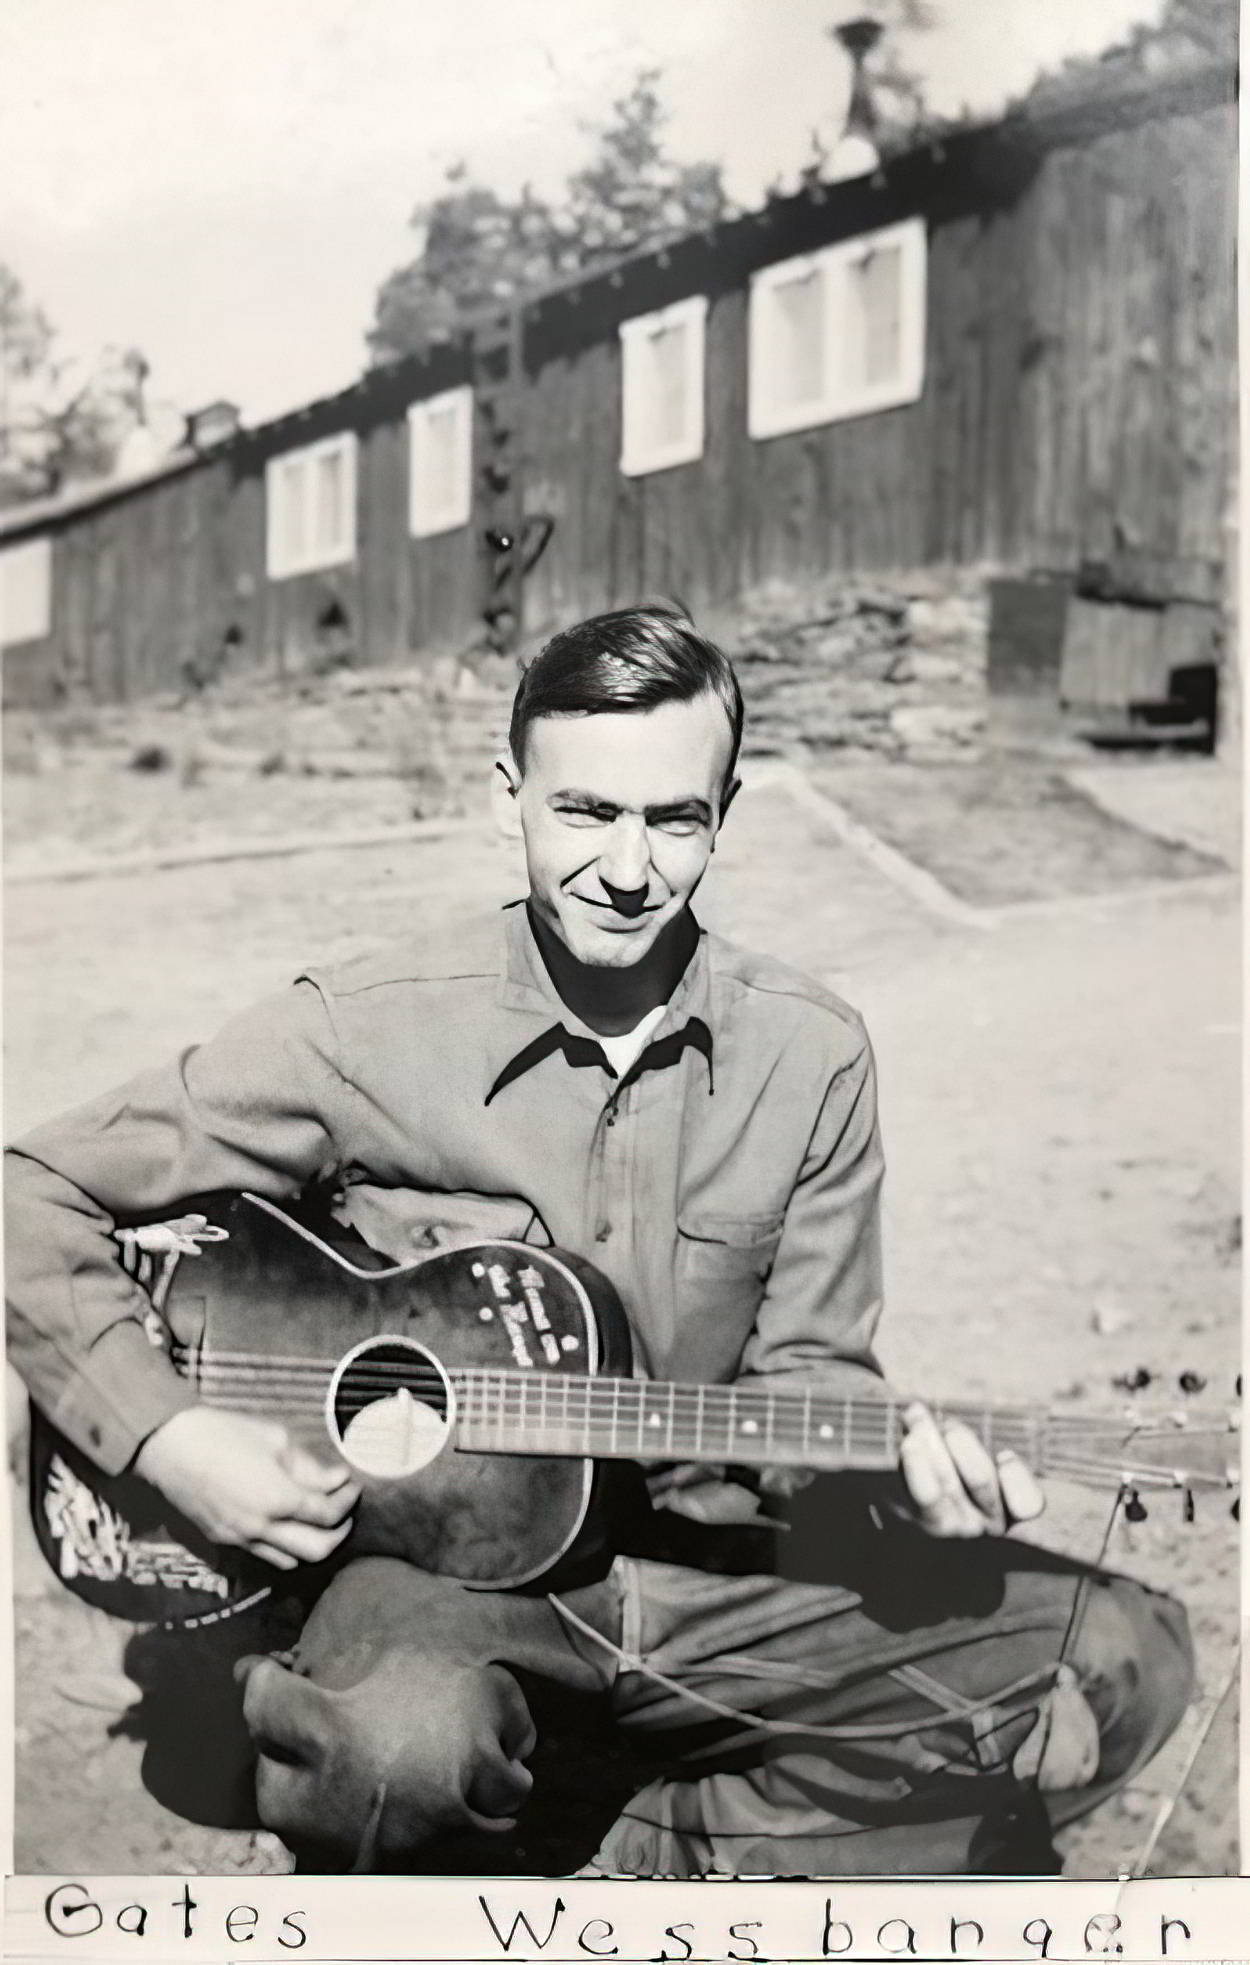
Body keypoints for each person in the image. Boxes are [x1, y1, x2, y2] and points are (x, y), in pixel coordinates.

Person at [6, 602, 1193, 1877]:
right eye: (584, 813)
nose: (628, 870)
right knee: (388, 1750)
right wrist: (171, 1438)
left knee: (1120, 1658)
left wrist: (894, 1475)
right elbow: (31, 1187)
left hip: (709, 1571)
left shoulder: (811, 1053)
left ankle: (644, 1860)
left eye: (673, 819)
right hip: (440, 1581)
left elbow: (816, 1385)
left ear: (724, 808)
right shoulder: (365, 1028)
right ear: (507, 792)